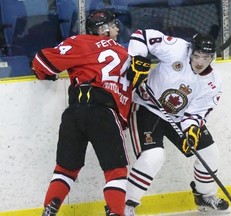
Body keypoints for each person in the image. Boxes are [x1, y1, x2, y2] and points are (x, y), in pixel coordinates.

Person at [32, 10, 150, 216]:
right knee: (116, 171)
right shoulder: (125, 55)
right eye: (113, 25)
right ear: (103, 29)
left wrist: (44, 73)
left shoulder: (81, 42)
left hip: (74, 113)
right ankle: (115, 212)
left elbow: (41, 62)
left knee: (65, 169)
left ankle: (50, 209)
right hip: (103, 114)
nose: (117, 29)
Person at [124, 29, 229, 215]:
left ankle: (204, 196)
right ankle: (126, 205)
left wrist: (191, 130)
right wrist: (137, 58)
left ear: (212, 58)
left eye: (206, 58)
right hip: (147, 108)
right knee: (153, 157)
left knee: (209, 152)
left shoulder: (213, 83)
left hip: (179, 117)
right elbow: (142, 35)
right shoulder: (177, 49)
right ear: (190, 51)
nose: (200, 62)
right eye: (197, 56)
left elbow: (196, 113)